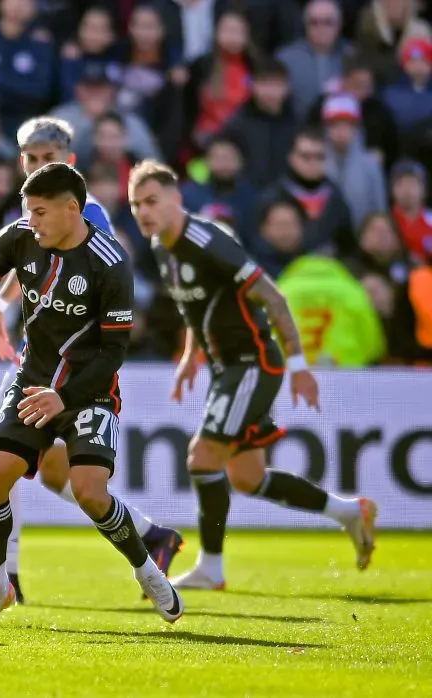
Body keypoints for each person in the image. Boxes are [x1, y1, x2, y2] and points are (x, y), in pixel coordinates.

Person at [0, 163, 185, 628]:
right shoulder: (20, 237)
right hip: (32, 382)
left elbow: (114, 351)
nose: (33, 221)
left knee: (90, 493)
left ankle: (147, 569)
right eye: (29, 212)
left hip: (89, 391)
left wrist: (66, 397)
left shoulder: (110, 263)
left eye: (41, 212)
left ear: (71, 209)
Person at [127, 159, 379, 590]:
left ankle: (212, 567)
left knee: (202, 458)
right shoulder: (160, 246)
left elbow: (274, 298)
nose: (143, 212)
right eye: (136, 204)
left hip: (253, 363)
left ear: (175, 199)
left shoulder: (209, 241)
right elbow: (193, 307)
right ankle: (348, 511)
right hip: (228, 367)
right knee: (247, 477)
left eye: (152, 201)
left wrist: (299, 367)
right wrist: (190, 357)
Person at [0, 116, 183, 604]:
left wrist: (4, 308)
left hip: (69, 367)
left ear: (70, 163)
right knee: (50, 474)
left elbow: (73, 265)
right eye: (32, 159)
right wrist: (1, 306)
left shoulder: (88, 217)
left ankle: (10, 575)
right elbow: (29, 260)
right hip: (39, 356)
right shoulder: (35, 214)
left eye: (49, 158)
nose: (39, 166)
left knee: (10, 465)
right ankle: (150, 534)